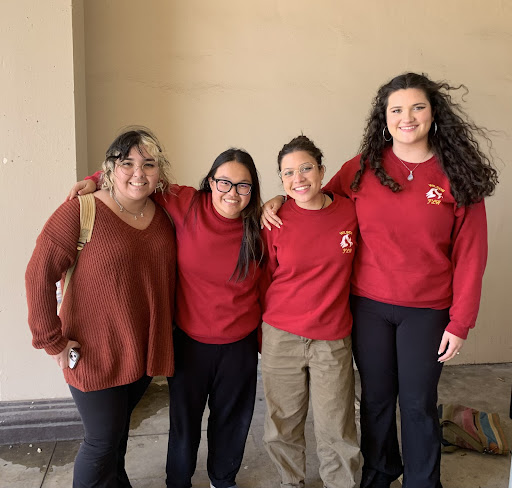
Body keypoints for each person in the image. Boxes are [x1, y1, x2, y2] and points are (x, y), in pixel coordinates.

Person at [261, 73, 498, 488]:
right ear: (384, 118)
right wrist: (276, 199)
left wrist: (460, 322)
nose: (407, 118)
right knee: (375, 400)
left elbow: (471, 255)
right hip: (367, 306)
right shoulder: (362, 167)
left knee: (418, 403)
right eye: (396, 110)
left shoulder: (456, 175)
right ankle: (381, 470)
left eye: (417, 107)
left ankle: (423, 480)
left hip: (427, 311)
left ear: (433, 112)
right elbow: (314, 200)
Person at [71, 147, 264, 488]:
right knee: (185, 422)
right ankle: (178, 481)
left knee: (232, 420)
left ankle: (223, 478)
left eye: (242, 186)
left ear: (252, 190)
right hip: (190, 343)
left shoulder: (260, 226)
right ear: (209, 182)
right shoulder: (187, 203)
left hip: (239, 345)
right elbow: (139, 179)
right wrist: (93, 181)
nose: (232, 193)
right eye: (224, 182)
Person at [26, 127, 177, 488]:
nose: (138, 172)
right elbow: (37, 276)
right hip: (95, 352)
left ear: (160, 173)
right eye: (127, 163)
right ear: (110, 169)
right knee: (101, 443)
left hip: (140, 354)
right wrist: (53, 342)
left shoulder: (164, 215)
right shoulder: (82, 210)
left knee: (116, 442)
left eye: (148, 164)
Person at [261, 135, 360, 488]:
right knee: (282, 423)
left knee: (337, 425)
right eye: (288, 173)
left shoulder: (349, 211)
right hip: (281, 335)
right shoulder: (274, 220)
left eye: (306, 168)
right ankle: (292, 482)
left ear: (321, 170)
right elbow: (264, 277)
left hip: (331, 338)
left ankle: (342, 484)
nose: (298, 179)